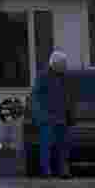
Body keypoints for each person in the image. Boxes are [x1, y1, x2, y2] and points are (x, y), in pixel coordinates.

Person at [30, 50, 76, 178]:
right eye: (63, 64)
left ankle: (63, 171)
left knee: (64, 146)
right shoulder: (43, 77)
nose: (65, 67)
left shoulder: (65, 78)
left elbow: (68, 97)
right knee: (46, 146)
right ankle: (46, 171)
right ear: (55, 64)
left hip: (62, 117)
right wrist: (41, 116)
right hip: (47, 118)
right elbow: (36, 98)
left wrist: (70, 115)